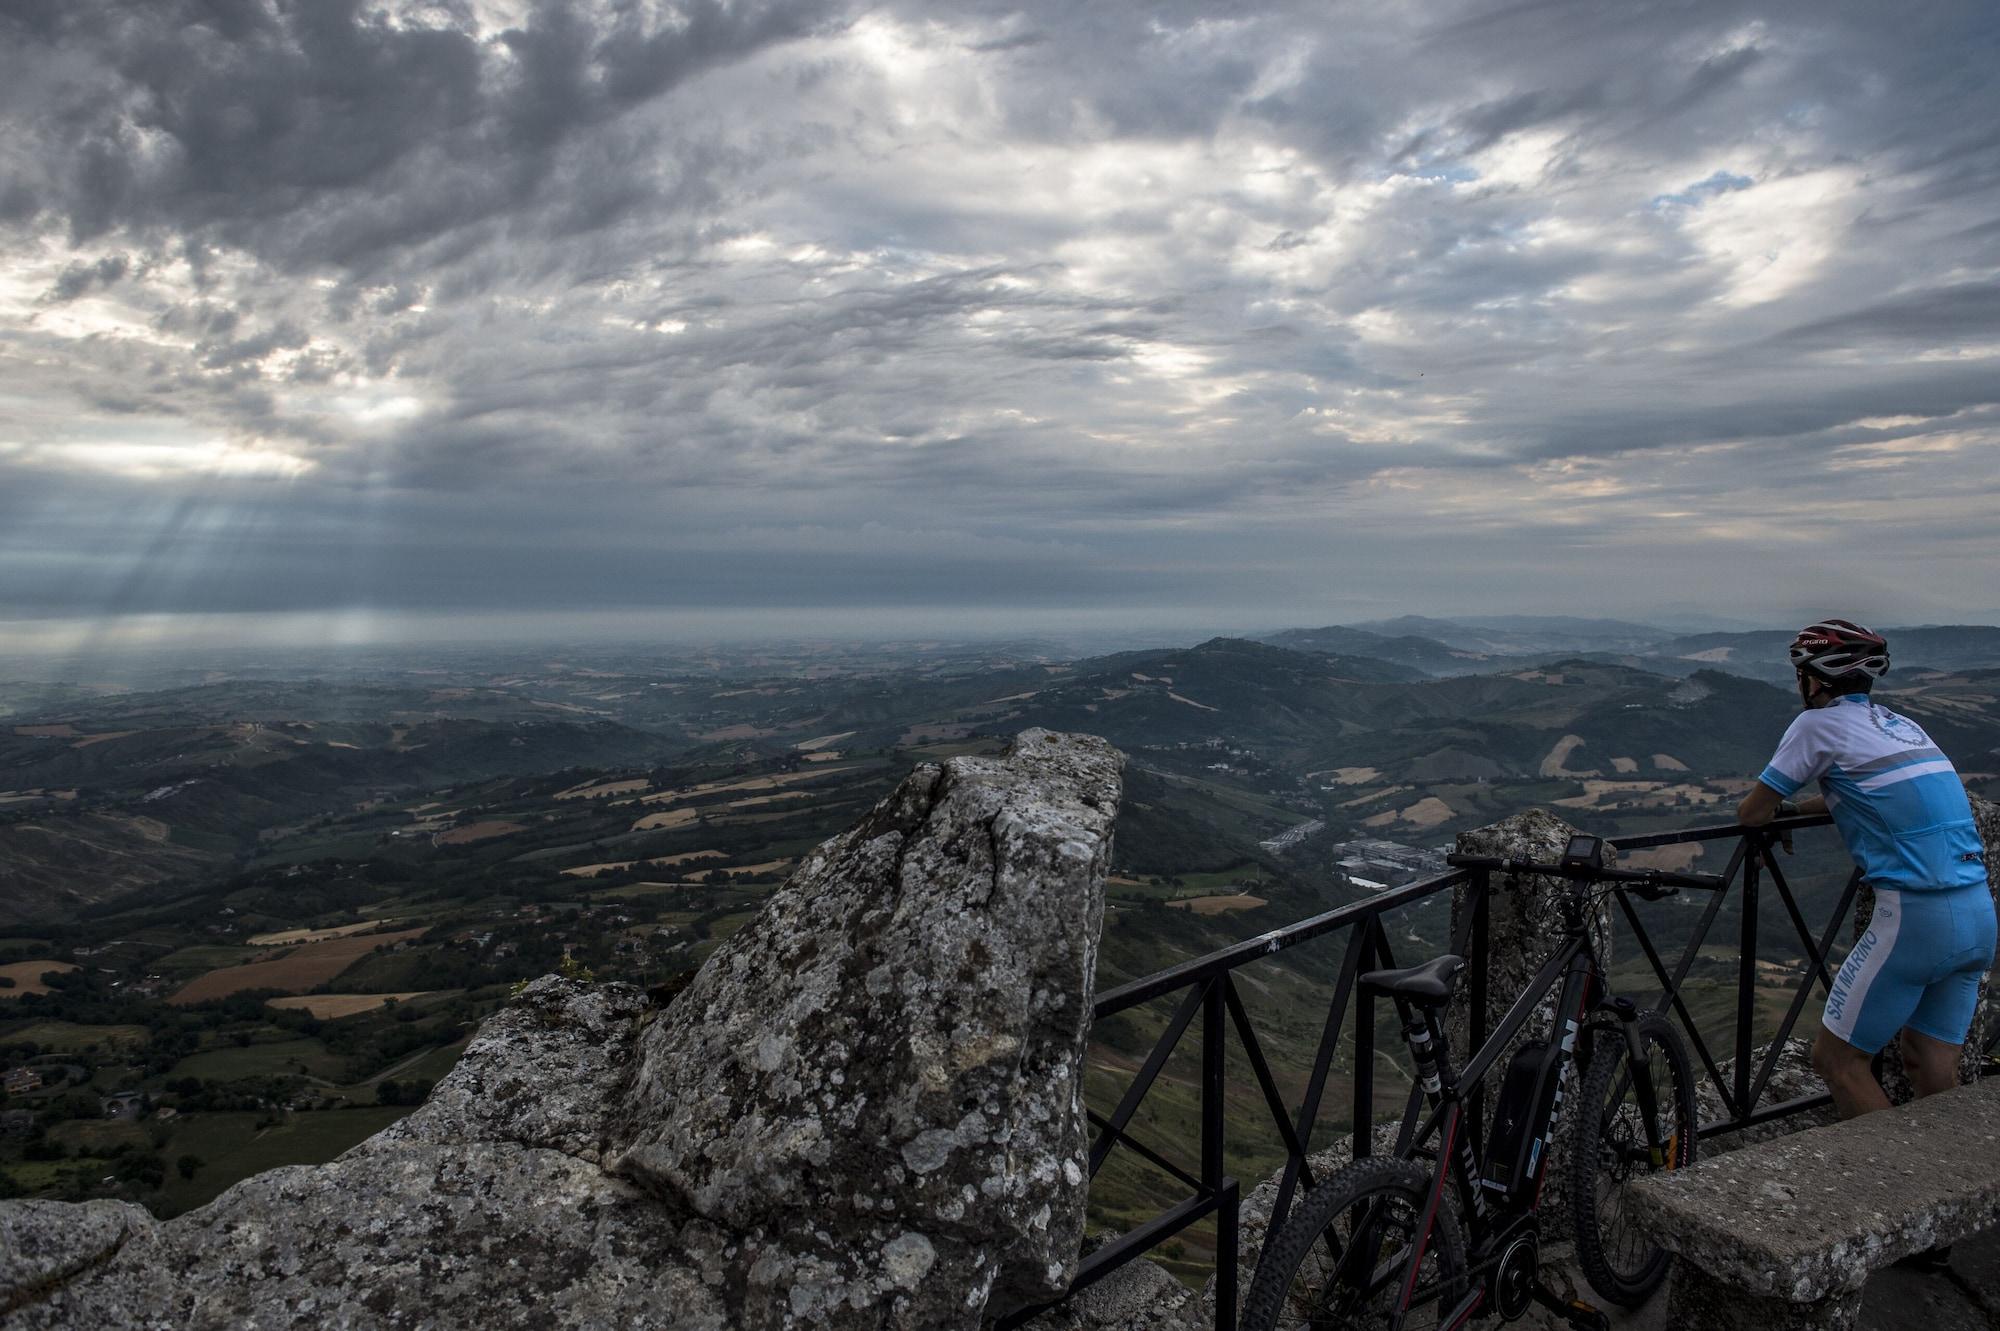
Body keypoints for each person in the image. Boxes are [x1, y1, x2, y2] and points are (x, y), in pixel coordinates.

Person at [1737, 619, 1994, 1123]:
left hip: (1916, 918)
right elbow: (1860, 792)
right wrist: (1807, 809)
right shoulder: (1902, 724)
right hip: (1978, 912)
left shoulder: (1816, 726)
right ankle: (1942, 1165)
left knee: (1837, 1062)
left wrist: (1780, 813)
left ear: (1814, 679)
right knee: (1929, 1060)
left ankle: (1900, 1169)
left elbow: (1752, 812)